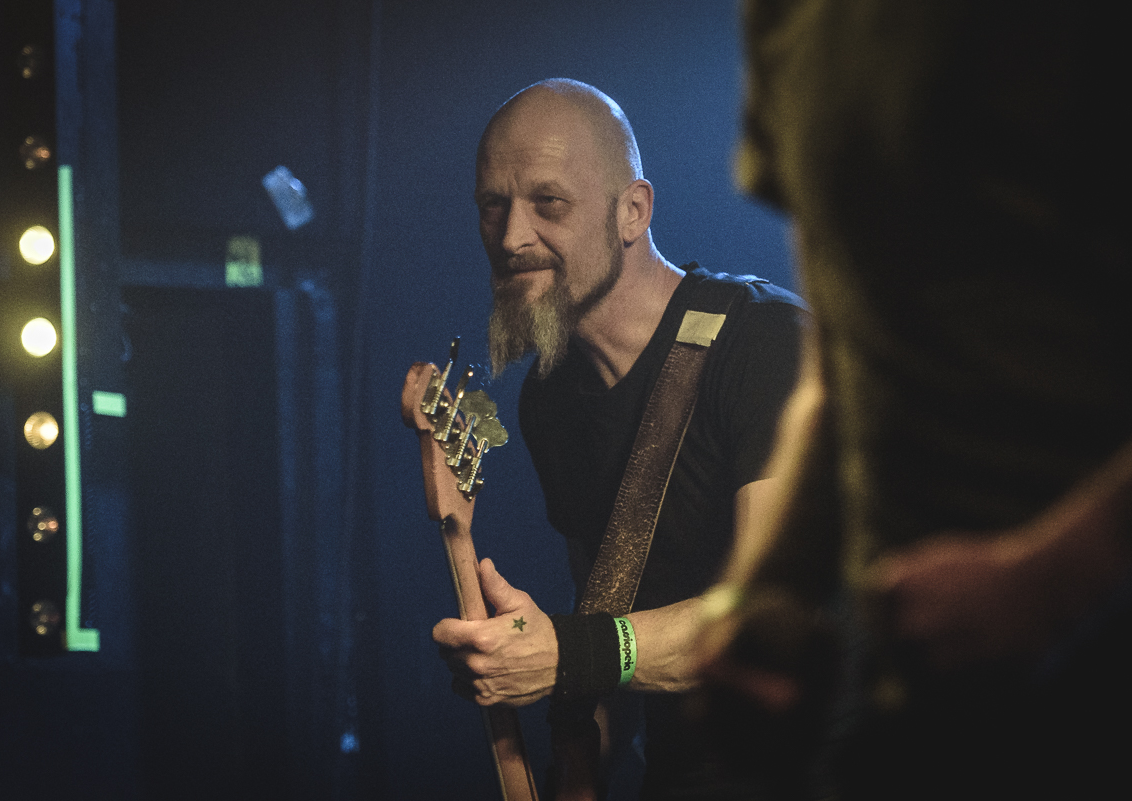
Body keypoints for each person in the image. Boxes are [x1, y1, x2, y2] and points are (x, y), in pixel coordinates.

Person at [693, 2, 1132, 799]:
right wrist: (765, 593)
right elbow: (839, 360)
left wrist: (1059, 581)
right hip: (907, 710)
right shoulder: (785, 18)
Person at [431, 78, 807, 799]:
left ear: (633, 211)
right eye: (492, 205)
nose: (511, 238)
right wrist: (576, 767)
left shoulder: (763, 343)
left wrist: (567, 655)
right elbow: (609, 606)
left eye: (549, 203)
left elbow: (767, 618)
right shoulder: (549, 399)